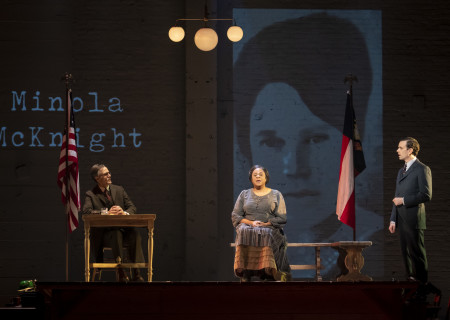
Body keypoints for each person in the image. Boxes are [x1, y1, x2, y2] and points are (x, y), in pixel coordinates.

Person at [233, 12, 383, 278]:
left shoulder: (375, 231)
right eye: (271, 142)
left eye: (315, 139)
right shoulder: (250, 201)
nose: (294, 168)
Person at [82, 164, 145, 282]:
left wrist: (124, 212)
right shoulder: (91, 194)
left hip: (124, 231)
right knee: (116, 234)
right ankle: (121, 270)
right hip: (105, 234)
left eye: (109, 173)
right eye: (106, 174)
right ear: (97, 178)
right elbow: (86, 211)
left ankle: (136, 272)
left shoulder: (119, 189)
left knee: (135, 234)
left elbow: (132, 207)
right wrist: (106, 212)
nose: (109, 175)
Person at [231, 165, 291, 282]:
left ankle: (268, 270)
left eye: (260, 175)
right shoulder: (244, 194)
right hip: (249, 227)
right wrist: (251, 223)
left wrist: (266, 224)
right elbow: (235, 215)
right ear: (251, 178)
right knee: (243, 230)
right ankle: (246, 272)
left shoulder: (276, 194)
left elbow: (282, 218)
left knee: (266, 233)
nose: (258, 176)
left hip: (270, 228)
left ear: (266, 178)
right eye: (255, 175)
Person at [389, 137, 432, 284]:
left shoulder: (422, 169)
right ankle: (410, 283)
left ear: (410, 150)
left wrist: (404, 201)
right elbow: (396, 195)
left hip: (414, 219)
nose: (397, 150)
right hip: (401, 219)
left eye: (400, 148)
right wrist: (393, 218)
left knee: (416, 254)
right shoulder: (401, 171)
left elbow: (426, 195)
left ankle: (422, 286)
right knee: (405, 253)